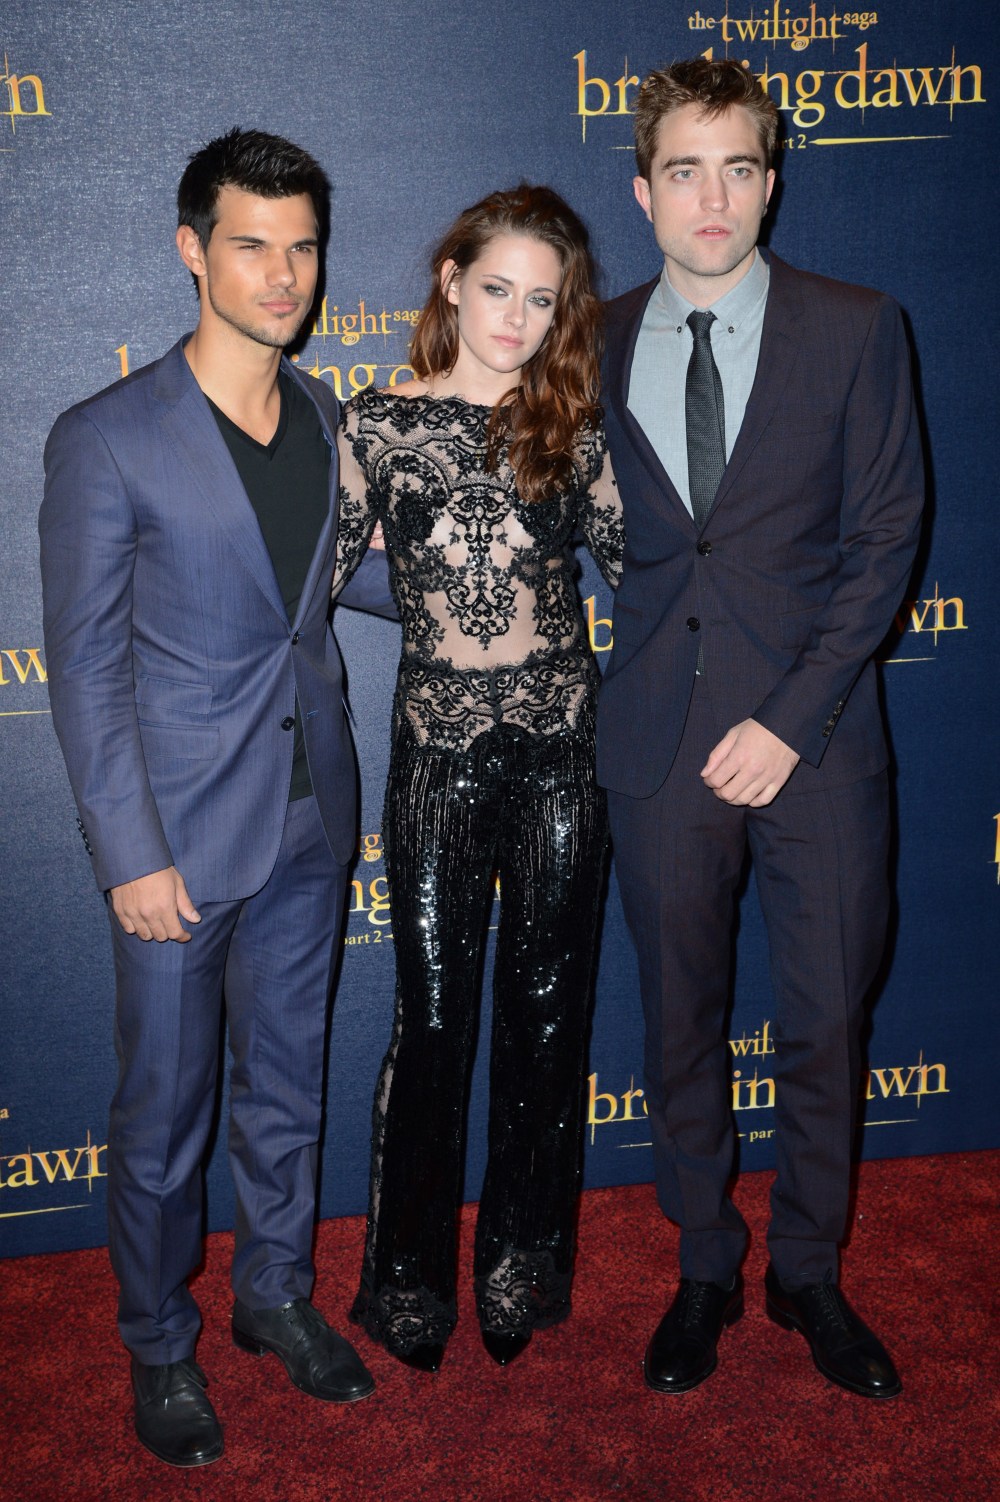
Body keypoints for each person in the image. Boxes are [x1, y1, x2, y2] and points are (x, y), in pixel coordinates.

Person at [39, 128, 394, 1468]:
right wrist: (127, 852)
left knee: (288, 1082)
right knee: (163, 1112)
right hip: (178, 842)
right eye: (252, 245)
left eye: (302, 246)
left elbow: (356, 581)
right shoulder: (106, 438)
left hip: (311, 817)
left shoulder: (330, 420)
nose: (284, 273)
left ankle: (274, 1295)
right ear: (193, 250)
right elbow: (85, 667)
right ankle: (157, 1339)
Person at [597, 60, 923, 1399]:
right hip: (655, 739)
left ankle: (807, 1267)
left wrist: (787, 722)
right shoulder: (588, 340)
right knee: (679, 1016)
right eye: (684, 169)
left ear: (771, 181)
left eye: (738, 166)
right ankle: (704, 1264)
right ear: (643, 190)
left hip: (820, 739)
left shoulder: (857, 326)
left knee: (825, 1016)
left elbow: (887, 539)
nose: (713, 196)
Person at [332, 185, 622, 1372]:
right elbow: (306, 583)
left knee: (548, 1012)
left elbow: (653, 573)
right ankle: (406, 1277)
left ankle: (520, 1265)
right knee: (436, 1014)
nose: (514, 317)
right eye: (496, 287)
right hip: (437, 753)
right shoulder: (373, 425)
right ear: (451, 281)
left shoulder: (576, 429)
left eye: (540, 300)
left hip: (562, 752)